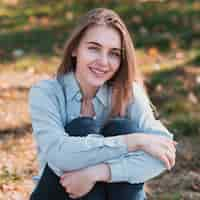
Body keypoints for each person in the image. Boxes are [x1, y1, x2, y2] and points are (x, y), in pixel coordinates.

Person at [28, 8, 177, 200]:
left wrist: (99, 172)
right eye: (94, 48)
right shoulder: (46, 92)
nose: (103, 62)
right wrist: (134, 142)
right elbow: (59, 154)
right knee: (82, 128)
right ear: (75, 49)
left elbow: (165, 152)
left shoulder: (127, 91)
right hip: (57, 193)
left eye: (114, 53)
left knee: (123, 127)